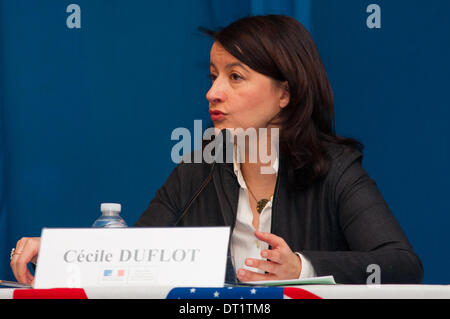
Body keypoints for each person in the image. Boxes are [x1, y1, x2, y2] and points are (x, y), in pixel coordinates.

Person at [10, 15, 423, 285]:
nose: (212, 92)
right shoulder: (200, 163)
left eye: (235, 76)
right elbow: (132, 254)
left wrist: (302, 267)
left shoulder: (335, 168)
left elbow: (402, 265)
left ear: (286, 93)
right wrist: (61, 252)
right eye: (213, 76)